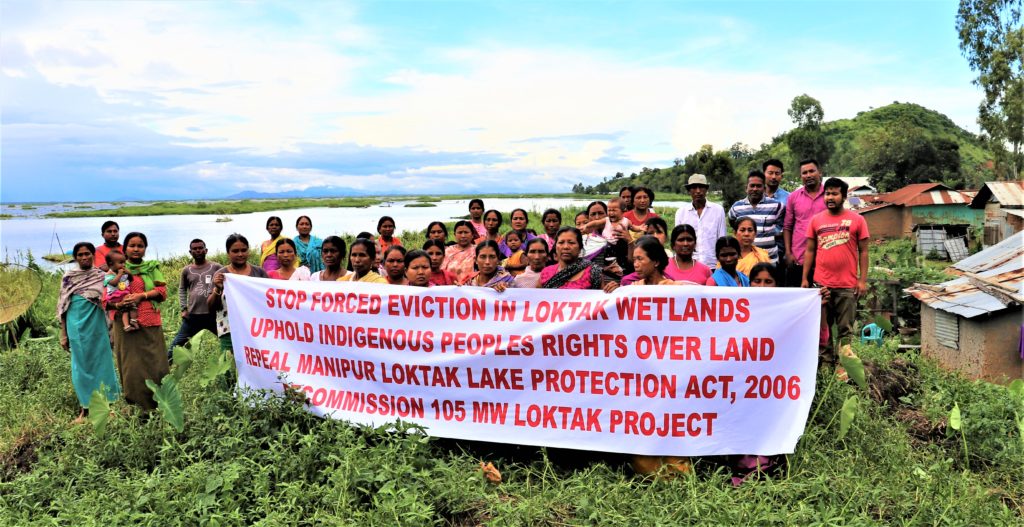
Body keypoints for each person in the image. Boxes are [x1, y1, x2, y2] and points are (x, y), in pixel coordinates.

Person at [625, 236, 692, 477]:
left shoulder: (676, 290)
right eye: (634, 259)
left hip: (668, 366)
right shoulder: (631, 290)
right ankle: (650, 472)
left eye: (640, 259)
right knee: (643, 419)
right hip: (640, 368)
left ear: (655, 262)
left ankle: (678, 472)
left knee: (669, 418)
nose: (635, 264)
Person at [803, 177, 870, 365]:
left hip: (847, 287)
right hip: (821, 285)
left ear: (844, 196)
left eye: (834, 193)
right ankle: (824, 366)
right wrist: (805, 279)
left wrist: (862, 280)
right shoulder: (816, 220)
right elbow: (809, 250)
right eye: (827, 193)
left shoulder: (857, 220)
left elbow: (864, 251)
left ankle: (843, 367)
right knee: (822, 329)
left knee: (845, 330)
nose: (830, 197)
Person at [58, 242, 121, 423]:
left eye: (87, 254)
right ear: (75, 257)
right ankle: (85, 410)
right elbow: (62, 307)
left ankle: (108, 406)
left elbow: (113, 299)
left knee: (104, 364)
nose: (84, 257)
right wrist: (63, 334)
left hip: (98, 326)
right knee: (81, 368)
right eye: (80, 255)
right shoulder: (69, 277)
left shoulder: (101, 276)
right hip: (76, 327)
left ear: (93, 255)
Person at [109, 232, 169, 411]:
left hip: (150, 320)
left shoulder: (152, 268)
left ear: (145, 249)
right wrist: (121, 303)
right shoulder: (115, 269)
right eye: (132, 245)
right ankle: (137, 406)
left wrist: (141, 296)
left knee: (155, 362)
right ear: (124, 248)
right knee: (132, 365)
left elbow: (162, 292)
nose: (136, 249)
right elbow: (107, 297)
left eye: (140, 246)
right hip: (125, 324)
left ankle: (158, 403)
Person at [210, 234, 269, 354]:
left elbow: (269, 301)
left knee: (257, 367)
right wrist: (217, 289)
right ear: (228, 253)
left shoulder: (259, 273)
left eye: (243, 250)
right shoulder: (221, 275)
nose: (240, 254)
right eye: (235, 251)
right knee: (228, 368)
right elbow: (211, 307)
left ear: (248, 251)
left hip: (257, 331)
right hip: (230, 331)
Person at [166, 239, 222, 358]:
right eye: (195, 249)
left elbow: (228, 281)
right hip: (193, 316)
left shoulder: (216, 267)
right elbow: (182, 289)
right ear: (190, 252)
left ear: (206, 250)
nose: (198, 251)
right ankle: (165, 367)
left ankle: (234, 368)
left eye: (200, 248)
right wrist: (183, 309)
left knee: (227, 341)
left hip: (214, 314)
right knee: (177, 344)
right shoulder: (187, 270)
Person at [783, 158, 826, 286]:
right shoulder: (793, 197)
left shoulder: (829, 195)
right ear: (801, 176)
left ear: (820, 172)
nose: (808, 175)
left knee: (823, 301)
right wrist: (788, 253)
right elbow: (787, 226)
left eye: (811, 171)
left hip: (824, 260)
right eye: (804, 173)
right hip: (798, 258)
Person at [728, 171, 784, 263]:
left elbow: (784, 226)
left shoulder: (776, 206)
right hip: (744, 261)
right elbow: (733, 223)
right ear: (746, 188)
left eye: (758, 186)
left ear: (764, 188)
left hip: (769, 261)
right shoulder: (736, 207)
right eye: (752, 186)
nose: (755, 189)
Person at [540, 227, 617, 292]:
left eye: (571, 242)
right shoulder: (546, 272)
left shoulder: (593, 272)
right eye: (561, 242)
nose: (566, 247)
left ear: (580, 248)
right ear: (555, 247)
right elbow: (535, 301)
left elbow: (603, 302)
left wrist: (613, 291)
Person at [675, 174, 727, 268]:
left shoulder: (718, 210)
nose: (698, 191)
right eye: (694, 188)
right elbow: (678, 242)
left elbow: (722, 239)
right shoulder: (681, 213)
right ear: (689, 190)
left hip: (713, 265)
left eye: (701, 187)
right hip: (690, 265)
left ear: (706, 189)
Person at [103, 251, 138, 333]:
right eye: (121, 263)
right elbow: (114, 283)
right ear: (111, 264)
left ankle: (129, 324)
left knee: (128, 309)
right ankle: (131, 322)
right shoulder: (108, 275)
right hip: (115, 296)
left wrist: (129, 273)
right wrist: (119, 274)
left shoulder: (122, 272)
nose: (123, 265)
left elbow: (131, 279)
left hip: (123, 294)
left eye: (124, 263)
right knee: (130, 304)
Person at [763, 159, 790, 262]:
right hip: (758, 244)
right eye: (770, 173)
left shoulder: (788, 198)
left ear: (781, 176)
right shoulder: (757, 195)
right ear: (764, 174)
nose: (774, 177)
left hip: (779, 245)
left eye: (777, 173)